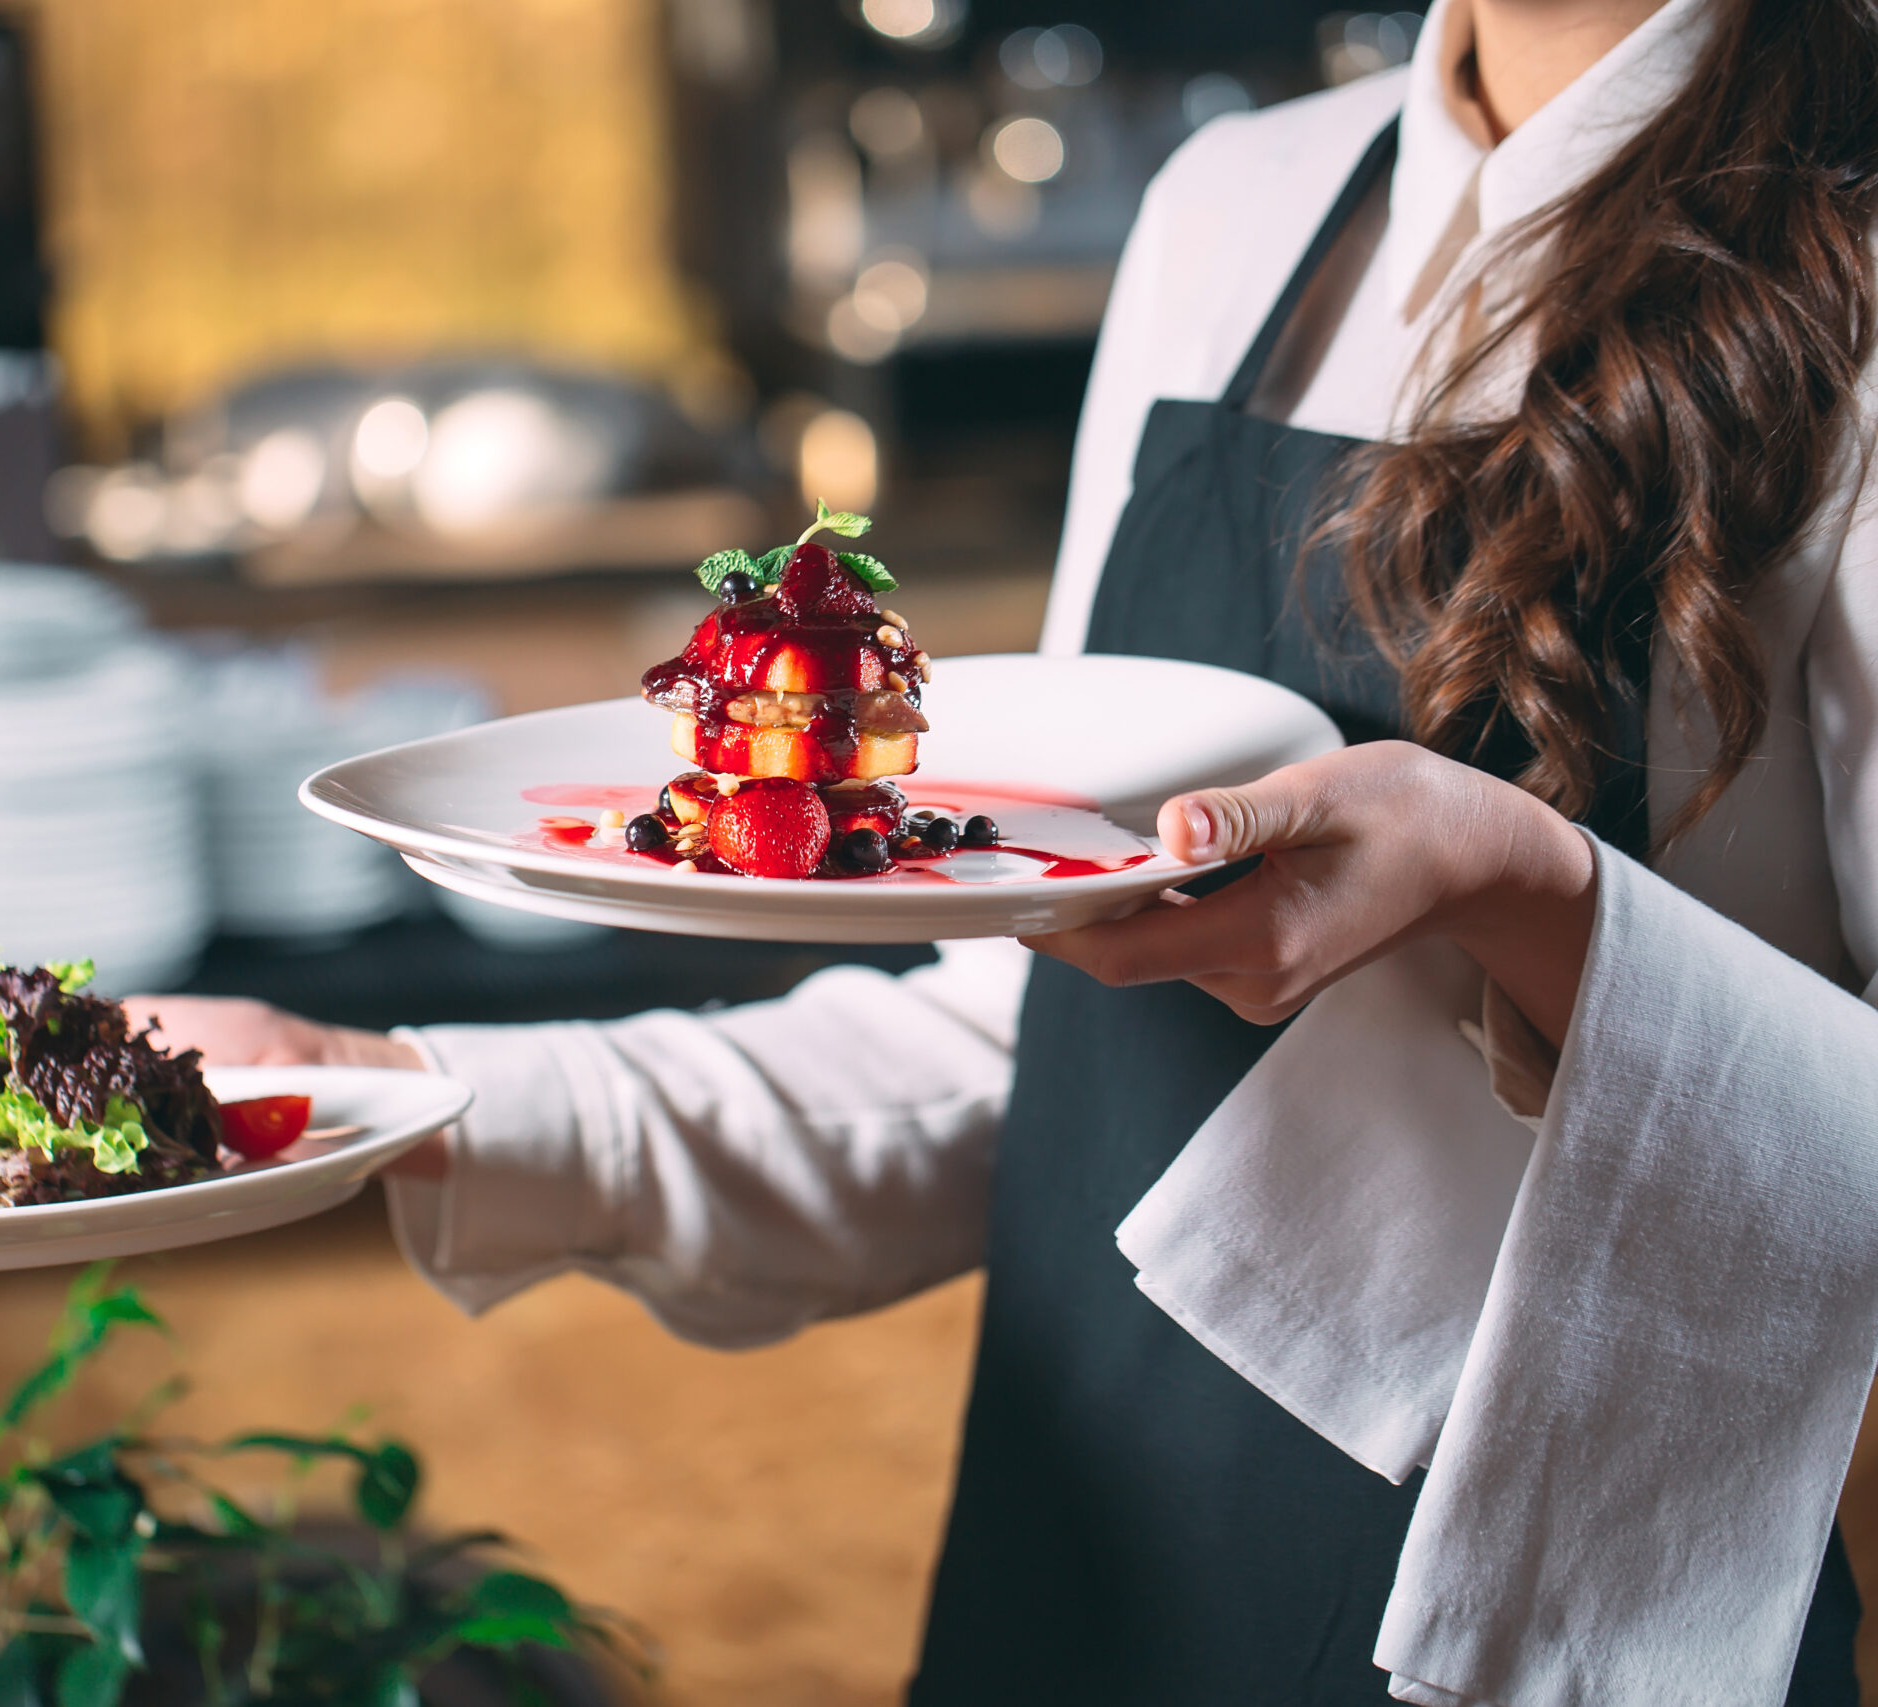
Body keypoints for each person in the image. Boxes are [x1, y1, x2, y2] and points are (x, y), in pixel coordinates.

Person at [134, 0, 1878, 1698]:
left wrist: (1524, 890)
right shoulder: (1235, 212)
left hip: (1550, 1617)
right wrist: (387, 1091)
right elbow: (1029, 1049)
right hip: (1094, 1579)